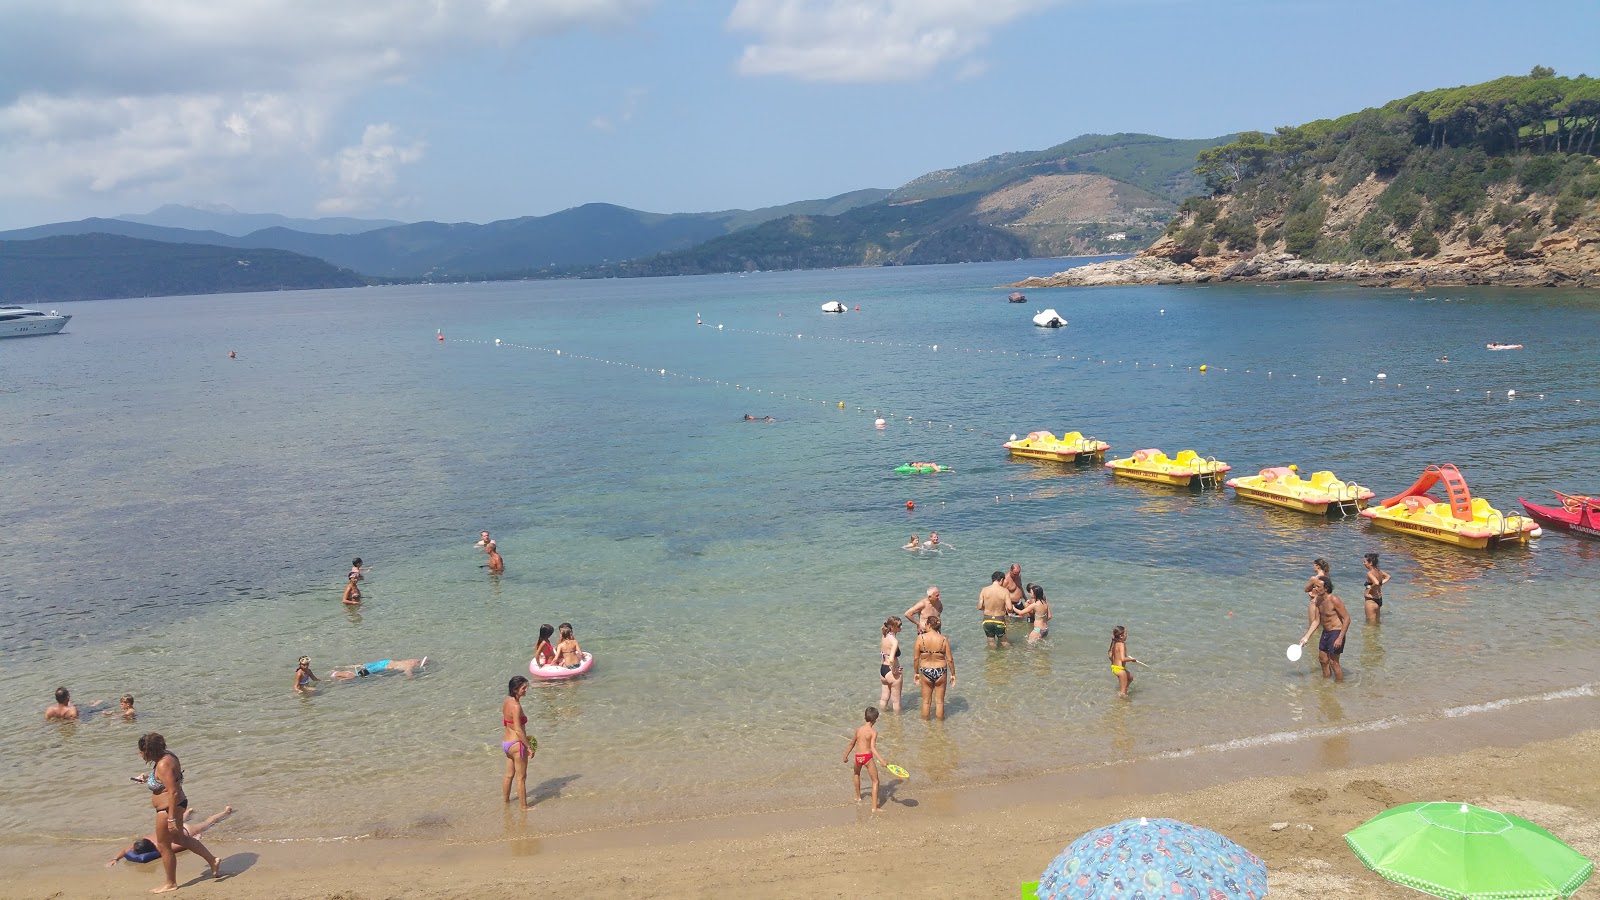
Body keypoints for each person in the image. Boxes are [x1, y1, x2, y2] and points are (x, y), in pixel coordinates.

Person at [135, 732, 221, 892]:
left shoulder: (163, 764)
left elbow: (173, 791)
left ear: (149, 751)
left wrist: (171, 819)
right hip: (175, 805)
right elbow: (166, 782)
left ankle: (170, 883)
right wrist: (149, 779)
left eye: (141, 751)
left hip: (168, 809)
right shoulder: (166, 757)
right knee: (180, 838)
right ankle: (212, 860)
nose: (140, 754)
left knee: (163, 845)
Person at [108, 807, 234, 867]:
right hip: (172, 828)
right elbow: (125, 850)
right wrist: (115, 858)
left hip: (187, 831)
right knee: (179, 820)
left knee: (207, 823)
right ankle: (188, 812)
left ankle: (225, 812)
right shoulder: (146, 838)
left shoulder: (164, 847)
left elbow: (182, 844)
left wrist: (195, 839)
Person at [1299, 579, 1351, 682]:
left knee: (1333, 662)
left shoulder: (1334, 599)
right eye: (1315, 586)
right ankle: (1325, 684)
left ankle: (1339, 685)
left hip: (1336, 632)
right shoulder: (1318, 600)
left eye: (1318, 587)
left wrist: (1340, 638)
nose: (1315, 589)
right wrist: (1306, 637)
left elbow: (1347, 619)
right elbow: (1317, 621)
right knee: (1322, 659)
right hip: (1326, 632)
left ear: (1326, 588)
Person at [912, 614, 955, 720]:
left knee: (926, 702)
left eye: (926, 624)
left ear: (929, 625)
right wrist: (953, 674)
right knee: (940, 702)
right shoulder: (944, 639)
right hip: (940, 670)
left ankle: (927, 729)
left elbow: (916, 658)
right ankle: (940, 729)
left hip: (925, 670)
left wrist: (916, 672)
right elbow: (949, 659)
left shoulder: (920, 638)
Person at [502, 676, 535, 811]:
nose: (526, 689)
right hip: (517, 745)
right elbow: (519, 730)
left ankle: (506, 803)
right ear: (515, 689)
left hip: (506, 743)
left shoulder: (506, 702)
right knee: (521, 778)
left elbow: (507, 723)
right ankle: (524, 807)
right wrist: (529, 747)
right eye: (523, 688)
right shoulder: (516, 706)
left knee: (509, 775)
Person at [843, 707, 882, 811]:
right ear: (876, 720)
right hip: (867, 758)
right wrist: (881, 760)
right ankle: (874, 808)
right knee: (875, 781)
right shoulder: (873, 732)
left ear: (864, 717)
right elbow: (872, 748)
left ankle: (858, 797)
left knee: (856, 774)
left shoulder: (858, 730)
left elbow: (852, 743)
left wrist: (845, 755)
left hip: (858, 757)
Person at [978, 571, 1011, 648]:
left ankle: (992, 659)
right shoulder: (1005, 591)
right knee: (1004, 641)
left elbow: (979, 607)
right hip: (999, 619)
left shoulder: (984, 590)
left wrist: (986, 608)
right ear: (1002, 579)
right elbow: (1010, 608)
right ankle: (1010, 657)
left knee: (991, 641)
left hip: (987, 620)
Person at [879, 617, 903, 713]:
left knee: (884, 698)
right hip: (891, 671)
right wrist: (894, 670)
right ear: (893, 627)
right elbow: (892, 659)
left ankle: (881, 715)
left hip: (883, 669)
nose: (901, 627)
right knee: (896, 702)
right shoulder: (894, 641)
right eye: (899, 626)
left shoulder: (884, 636)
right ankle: (897, 724)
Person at [327, 658, 428, 680]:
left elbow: (420, 660)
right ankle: (340, 675)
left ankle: (340, 669)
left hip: (385, 662)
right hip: (382, 667)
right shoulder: (409, 666)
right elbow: (408, 674)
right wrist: (413, 679)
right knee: (359, 674)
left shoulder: (410, 661)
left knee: (363, 666)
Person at [1109, 626, 1137, 698]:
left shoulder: (1115, 643)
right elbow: (1123, 659)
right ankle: (1120, 704)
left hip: (1115, 668)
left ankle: (1124, 689)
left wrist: (1114, 661)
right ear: (1121, 636)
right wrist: (1132, 659)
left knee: (1130, 678)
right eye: (1126, 633)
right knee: (1122, 691)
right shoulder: (1122, 644)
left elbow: (1110, 656)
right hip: (1120, 669)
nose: (1127, 635)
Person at [1363, 553, 1391, 623]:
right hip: (1379, 599)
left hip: (1371, 600)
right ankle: (1378, 634)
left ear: (1370, 563)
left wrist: (1370, 588)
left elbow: (1376, 583)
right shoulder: (1379, 571)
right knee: (1377, 623)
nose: (1363, 563)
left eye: (1365, 562)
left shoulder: (1369, 573)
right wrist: (1380, 584)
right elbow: (1388, 577)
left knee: (1370, 624)